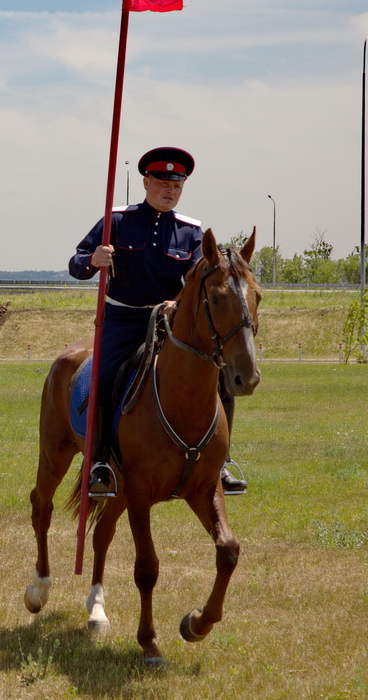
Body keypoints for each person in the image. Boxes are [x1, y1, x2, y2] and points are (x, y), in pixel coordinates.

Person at [69, 146, 247, 497]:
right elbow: (76, 264)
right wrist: (94, 258)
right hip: (123, 319)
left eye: (177, 186)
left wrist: (177, 301)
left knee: (221, 378)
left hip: (169, 322)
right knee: (104, 379)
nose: (170, 191)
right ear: (147, 181)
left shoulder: (190, 230)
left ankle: (222, 461)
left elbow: (200, 278)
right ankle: (100, 463)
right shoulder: (117, 220)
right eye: (164, 183)